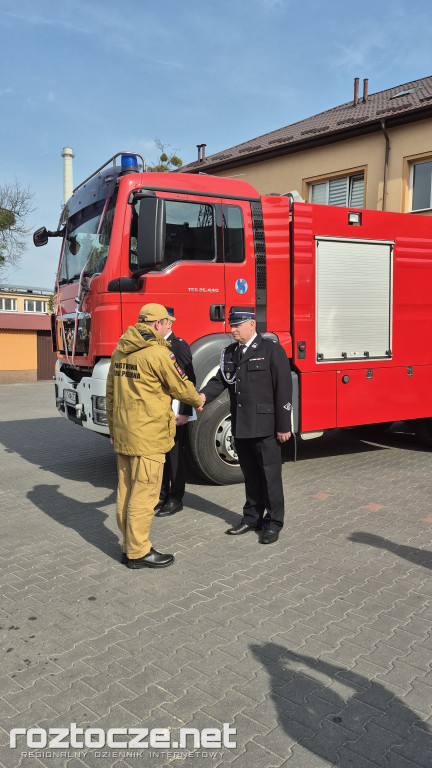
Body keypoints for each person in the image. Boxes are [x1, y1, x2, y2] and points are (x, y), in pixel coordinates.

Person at [106, 303, 203, 569]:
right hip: (148, 436)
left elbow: (111, 395)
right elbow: (180, 386)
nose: (169, 327)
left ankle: (128, 545)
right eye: (167, 323)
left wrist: (113, 431)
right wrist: (197, 400)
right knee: (145, 495)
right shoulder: (159, 353)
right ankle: (138, 552)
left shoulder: (120, 350)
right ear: (157, 324)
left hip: (125, 434)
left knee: (125, 492)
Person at [200, 306, 292, 544]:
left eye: (237, 325)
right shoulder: (230, 353)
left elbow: (283, 390)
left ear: (252, 324)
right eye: (232, 325)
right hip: (241, 426)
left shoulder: (271, 350)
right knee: (250, 476)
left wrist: (283, 426)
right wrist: (201, 397)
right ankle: (252, 518)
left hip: (266, 427)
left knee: (270, 477)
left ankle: (273, 523)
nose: (232, 330)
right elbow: (219, 380)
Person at [155, 310, 196, 517]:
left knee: (175, 456)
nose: (154, 326)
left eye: (158, 322)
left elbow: (189, 381)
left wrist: (186, 412)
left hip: (175, 412)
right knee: (161, 455)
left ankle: (175, 498)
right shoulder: (154, 346)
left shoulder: (179, 346)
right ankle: (162, 494)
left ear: (168, 324)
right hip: (158, 412)